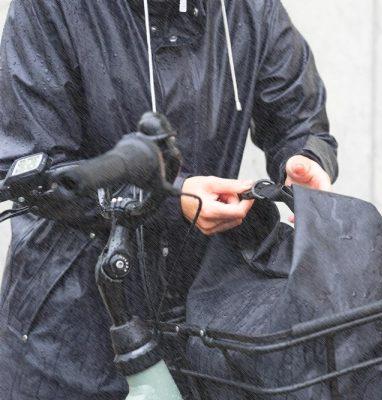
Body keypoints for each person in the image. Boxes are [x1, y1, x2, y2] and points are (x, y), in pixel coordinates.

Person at [0, 0, 337, 398]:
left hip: (202, 312)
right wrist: (171, 199)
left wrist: (306, 158)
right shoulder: (51, 7)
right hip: (69, 322)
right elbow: (33, 167)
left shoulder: (251, 8)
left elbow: (299, 119)